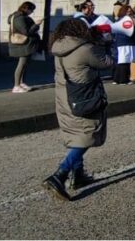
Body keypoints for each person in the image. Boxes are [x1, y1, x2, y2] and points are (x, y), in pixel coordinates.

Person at [43, 19, 114, 201]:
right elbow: (107, 63)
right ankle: (60, 174)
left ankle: (78, 174)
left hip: (64, 99)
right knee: (86, 135)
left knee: (75, 133)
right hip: (84, 99)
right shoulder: (85, 49)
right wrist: (104, 43)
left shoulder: (59, 47)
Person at [8, 1, 42, 93]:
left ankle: (21, 83)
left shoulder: (21, 17)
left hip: (25, 44)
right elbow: (26, 32)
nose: (32, 12)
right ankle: (16, 86)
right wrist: (36, 25)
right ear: (26, 8)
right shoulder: (19, 18)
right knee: (22, 64)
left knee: (24, 64)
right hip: (23, 44)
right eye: (31, 9)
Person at [111, 2, 135, 85]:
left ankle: (117, 79)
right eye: (127, 11)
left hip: (125, 42)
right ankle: (123, 80)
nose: (129, 12)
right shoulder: (125, 19)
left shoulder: (121, 19)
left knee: (123, 61)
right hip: (125, 42)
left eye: (130, 11)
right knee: (124, 61)